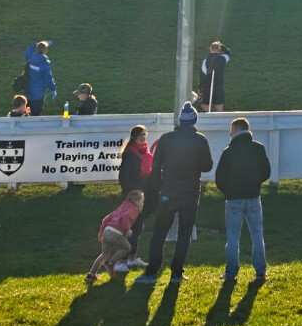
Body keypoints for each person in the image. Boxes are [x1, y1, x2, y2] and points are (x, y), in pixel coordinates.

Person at [138, 103, 215, 286]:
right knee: (184, 233)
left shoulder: (166, 139)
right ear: (194, 120)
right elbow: (207, 166)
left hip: (168, 191)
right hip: (190, 192)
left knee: (159, 232)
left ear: (180, 120)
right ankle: (176, 272)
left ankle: (152, 270)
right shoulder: (200, 140)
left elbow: (156, 166)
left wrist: (157, 188)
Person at [215, 116, 271, 284]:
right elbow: (266, 172)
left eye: (231, 130)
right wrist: (255, 183)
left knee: (233, 237)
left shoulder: (228, 151)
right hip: (253, 196)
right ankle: (260, 271)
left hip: (233, 198)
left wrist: (228, 191)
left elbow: (219, 178)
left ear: (237, 130)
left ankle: (231, 272)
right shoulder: (258, 148)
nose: (230, 133)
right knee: (257, 235)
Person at [87, 190, 144, 285]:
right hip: (116, 232)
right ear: (137, 201)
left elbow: (106, 219)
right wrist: (127, 230)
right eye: (142, 201)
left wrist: (101, 232)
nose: (142, 203)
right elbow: (126, 218)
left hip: (107, 230)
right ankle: (110, 262)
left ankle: (91, 275)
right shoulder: (134, 209)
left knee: (104, 254)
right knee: (127, 248)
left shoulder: (123, 205)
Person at [118, 125, 154, 268]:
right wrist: (131, 193)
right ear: (134, 137)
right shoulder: (130, 154)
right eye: (140, 135)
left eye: (144, 135)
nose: (143, 138)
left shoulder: (145, 151)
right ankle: (120, 261)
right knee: (128, 229)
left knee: (138, 227)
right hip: (132, 196)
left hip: (143, 195)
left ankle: (132, 257)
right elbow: (124, 177)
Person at [196, 40, 231, 112]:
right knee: (219, 107)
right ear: (220, 49)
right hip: (219, 87)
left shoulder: (205, 61)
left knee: (205, 105)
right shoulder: (223, 58)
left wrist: (200, 87)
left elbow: (202, 75)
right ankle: (218, 116)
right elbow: (228, 52)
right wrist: (221, 46)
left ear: (210, 49)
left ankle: (211, 113)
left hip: (207, 87)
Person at [23, 40, 57, 116]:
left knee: (26, 113)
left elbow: (28, 50)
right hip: (38, 94)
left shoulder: (31, 57)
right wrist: (53, 89)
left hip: (27, 90)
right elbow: (48, 78)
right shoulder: (44, 62)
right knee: (36, 114)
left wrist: (37, 44)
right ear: (46, 50)